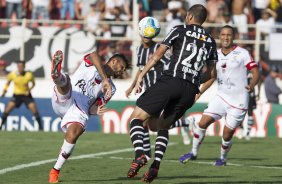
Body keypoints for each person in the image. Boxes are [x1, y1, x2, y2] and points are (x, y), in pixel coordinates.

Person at [126, 4, 217, 183]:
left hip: (171, 80)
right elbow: (212, 74)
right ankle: (155, 166)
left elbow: (157, 55)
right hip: (190, 90)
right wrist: (197, 87)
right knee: (163, 126)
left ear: (190, 16)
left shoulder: (179, 29)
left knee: (136, 118)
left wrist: (140, 76)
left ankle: (140, 155)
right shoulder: (211, 40)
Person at [179, 25, 260, 166]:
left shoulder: (243, 53)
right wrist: (198, 90)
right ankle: (193, 153)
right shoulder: (214, 54)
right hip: (221, 97)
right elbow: (211, 76)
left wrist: (252, 85)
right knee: (202, 123)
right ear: (219, 36)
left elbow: (256, 72)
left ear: (234, 37)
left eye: (229, 34)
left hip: (239, 100)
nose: (226, 37)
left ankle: (222, 158)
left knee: (227, 133)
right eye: (223, 34)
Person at [48, 50, 130, 183]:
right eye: (122, 67)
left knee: (74, 134)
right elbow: (93, 55)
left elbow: (94, 106)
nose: (122, 71)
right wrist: (104, 79)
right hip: (68, 97)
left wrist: (95, 110)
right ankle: (56, 75)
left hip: (79, 111)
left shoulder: (111, 89)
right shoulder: (91, 64)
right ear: (114, 61)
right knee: (66, 82)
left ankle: (54, 171)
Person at [125, 34, 193, 159]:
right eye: (144, 33)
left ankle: (145, 154)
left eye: (149, 33)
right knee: (152, 125)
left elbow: (171, 63)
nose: (146, 36)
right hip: (148, 89)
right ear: (140, 33)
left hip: (160, 90)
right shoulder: (139, 49)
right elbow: (141, 70)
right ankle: (185, 123)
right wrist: (132, 86)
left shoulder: (159, 47)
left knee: (143, 121)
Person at [0, 60, 43, 130]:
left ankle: (41, 128)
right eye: (19, 66)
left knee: (34, 109)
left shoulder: (29, 75)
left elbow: (33, 84)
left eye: (22, 66)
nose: (20, 68)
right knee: (7, 109)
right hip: (16, 95)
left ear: (24, 67)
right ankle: (1, 126)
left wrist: (29, 89)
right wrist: (4, 91)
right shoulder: (12, 74)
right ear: (17, 66)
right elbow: (8, 83)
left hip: (26, 95)